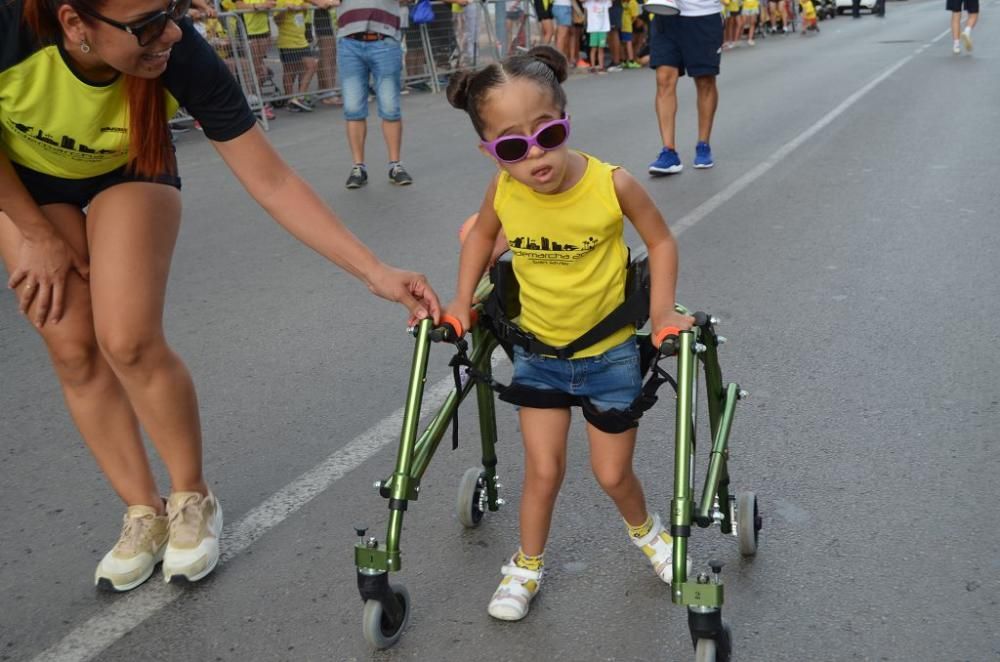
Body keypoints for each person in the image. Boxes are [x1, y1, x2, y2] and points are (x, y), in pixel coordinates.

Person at [0, 0, 440, 593]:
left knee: (126, 338)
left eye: (174, 10)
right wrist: (31, 233)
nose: (173, 32)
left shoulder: (180, 53)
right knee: (70, 344)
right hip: (24, 188)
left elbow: (273, 180)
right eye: (148, 24)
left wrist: (374, 271)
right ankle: (142, 512)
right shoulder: (12, 30)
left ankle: (191, 498)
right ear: (75, 23)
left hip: (128, 172)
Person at [444, 46, 694, 622]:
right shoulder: (504, 192)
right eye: (512, 146)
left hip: (609, 353)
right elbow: (482, 238)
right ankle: (526, 566)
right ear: (491, 153)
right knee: (544, 470)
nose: (535, 155)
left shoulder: (613, 183)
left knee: (611, 473)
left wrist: (660, 315)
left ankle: (649, 533)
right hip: (540, 354)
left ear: (565, 120)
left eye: (547, 133)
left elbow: (660, 240)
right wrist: (460, 299)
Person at [336, 0, 413, 187]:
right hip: (349, 41)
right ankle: (358, 167)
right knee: (353, 108)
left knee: (390, 107)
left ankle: (395, 165)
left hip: (384, 39)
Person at [647, 0, 722, 175]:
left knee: (705, 80)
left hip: (704, 15)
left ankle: (703, 145)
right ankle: (668, 151)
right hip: (665, 14)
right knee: (664, 78)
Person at [275, 0, 319, 111]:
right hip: (287, 42)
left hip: (301, 41)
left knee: (311, 66)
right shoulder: (281, 1)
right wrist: (285, 9)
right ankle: (290, 99)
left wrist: (302, 6)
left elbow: (306, 9)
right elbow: (277, 20)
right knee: (290, 71)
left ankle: (300, 96)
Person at [584, 0, 611, 72]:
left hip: (603, 29)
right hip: (593, 29)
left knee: (601, 48)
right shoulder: (589, 3)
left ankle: (601, 66)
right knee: (593, 48)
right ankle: (592, 66)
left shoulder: (606, 2)